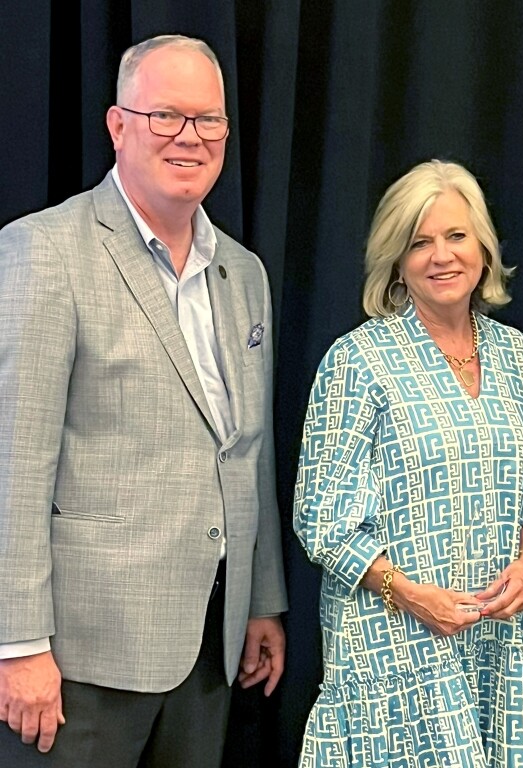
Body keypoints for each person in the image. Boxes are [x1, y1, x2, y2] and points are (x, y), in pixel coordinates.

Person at [0, 34, 287, 767]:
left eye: (208, 120)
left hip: (206, 652)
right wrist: (18, 645)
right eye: (166, 117)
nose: (190, 138)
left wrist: (259, 600)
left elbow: (246, 452)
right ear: (117, 125)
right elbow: (15, 462)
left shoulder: (244, 274)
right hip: (79, 663)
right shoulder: (47, 250)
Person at [293, 159, 523, 767]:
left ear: (484, 249)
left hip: (494, 649)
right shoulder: (357, 361)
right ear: (397, 261)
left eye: (456, 236)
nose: (441, 256)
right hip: (394, 649)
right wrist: (411, 595)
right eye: (419, 242)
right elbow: (320, 520)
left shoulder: (521, 359)